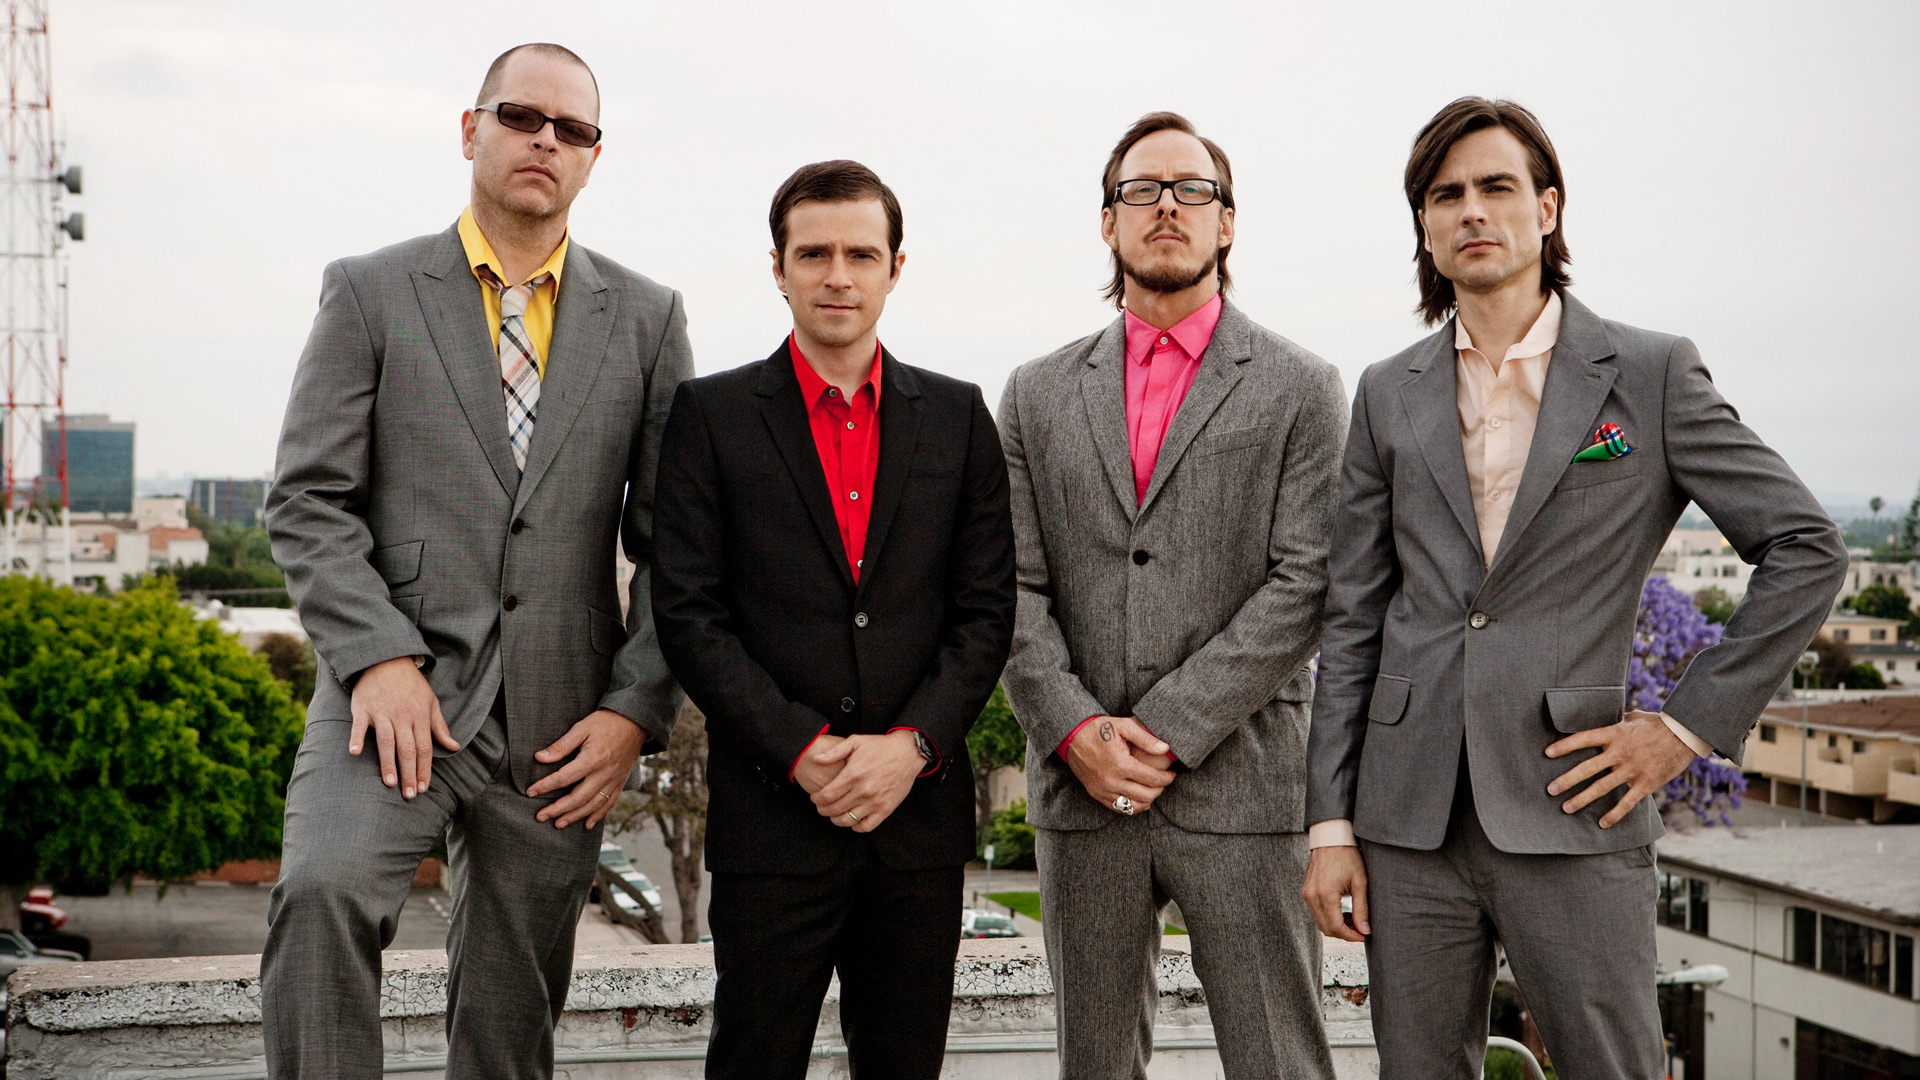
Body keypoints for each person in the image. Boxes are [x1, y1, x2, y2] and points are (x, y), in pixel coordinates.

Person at [1301, 96, 1847, 1078]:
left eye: (1496, 187)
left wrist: (1683, 727)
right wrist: (1331, 824)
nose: (1472, 210)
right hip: (1406, 817)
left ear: (1547, 208)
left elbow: (1807, 546)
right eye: (1446, 195)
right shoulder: (1387, 390)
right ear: (1424, 226)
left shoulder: (1650, 373)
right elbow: (1354, 618)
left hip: (1575, 799)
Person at [261, 43, 691, 1079]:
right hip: (392, 699)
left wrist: (634, 710)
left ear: (593, 159)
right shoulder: (369, 292)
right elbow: (307, 500)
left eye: (572, 129)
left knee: (510, 1012)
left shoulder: (647, 318)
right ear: (471, 130)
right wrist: (377, 658)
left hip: (562, 723)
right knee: (320, 895)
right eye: (520, 116)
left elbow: (677, 547)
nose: (545, 140)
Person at [997, 111, 1347, 1079]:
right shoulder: (1032, 393)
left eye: (1193, 190)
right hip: (1081, 792)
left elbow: (1306, 582)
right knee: (1094, 1066)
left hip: (1245, 788)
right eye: (1141, 190)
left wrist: (1161, 730)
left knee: (1279, 1063)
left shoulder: (1303, 386)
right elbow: (1011, 587)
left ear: (1226, 222)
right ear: (1107, 222)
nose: (1167, 207)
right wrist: (1076, 731)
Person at [650, 159, 1016, 1080]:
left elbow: (986, 613)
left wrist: (912, 748)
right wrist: (802, 749)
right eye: (813, 254)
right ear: (778, 269)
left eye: (861, 254)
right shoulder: (711, 415)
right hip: (773, 821)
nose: (838, 276)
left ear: (897, 268)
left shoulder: (960, 417)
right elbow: (688, 613)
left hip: (916, 824)